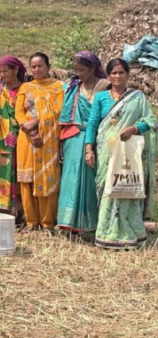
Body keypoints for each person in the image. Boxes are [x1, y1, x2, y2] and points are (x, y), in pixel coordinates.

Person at [85, 59, 157, 249]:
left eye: (121, 72)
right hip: (106, 152)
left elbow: (151, 121)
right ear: (108, 76)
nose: (117, 76)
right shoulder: (101, 97)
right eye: (114, 73)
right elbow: (92, 124)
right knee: (106, 187)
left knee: (126, 187)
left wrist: (134, 129)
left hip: (128, 152)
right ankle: (106, 233)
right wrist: (89, 149)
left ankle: (129, 233)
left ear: (128, 75)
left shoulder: (137, 97)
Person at [57, 51, 110, 233]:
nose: (78, 74)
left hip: (96, 139)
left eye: (82, 70)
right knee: (70, 178)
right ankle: (67, 222)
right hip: (73, 138)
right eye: (76, 70)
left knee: (91, 180)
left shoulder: (105, 86)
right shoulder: (72, 87)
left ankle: (90, 224)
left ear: (93, 68)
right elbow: (65, 118)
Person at [15, 52, 64, 231]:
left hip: (48, 139)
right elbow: (19, 111)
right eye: (33, 66)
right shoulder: (26, 87)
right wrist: (29, 128)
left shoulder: (58, 87)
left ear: (48, 67)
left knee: (47, 177)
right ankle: (31, 222)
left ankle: (47, 223)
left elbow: (59, 111)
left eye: (40, 66)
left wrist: (36, 121)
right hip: (27, 138)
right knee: (27, 180)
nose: (36, 69)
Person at [0, 55, 26, 215]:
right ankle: (2, 208)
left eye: (5, 71)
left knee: (21, 173)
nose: (2, 75)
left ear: (16, 70)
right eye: (0, 72)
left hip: (23, 137)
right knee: (3, 172)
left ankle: (21, 211)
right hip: (1, 141)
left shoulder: (26, 89)